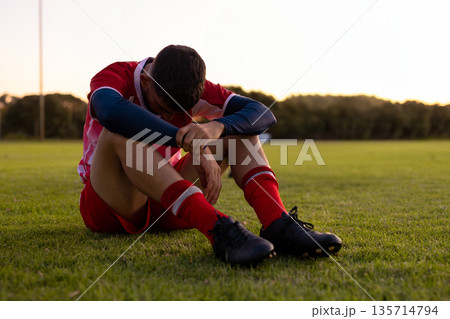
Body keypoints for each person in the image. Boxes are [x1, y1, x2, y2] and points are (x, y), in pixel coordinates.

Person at [78, 44, 342, 266]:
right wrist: (193, 144)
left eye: (179, 110)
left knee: (238, 129)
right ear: (145, 81)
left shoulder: (198, 88)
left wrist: (217, 127)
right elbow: (109, 111)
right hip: (114, 206)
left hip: (170, 201)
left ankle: (278, 224)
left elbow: (262, 113)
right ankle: (217, 228)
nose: (171, 115)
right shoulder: (116, 75)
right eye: (163, 107)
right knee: (117, 132)